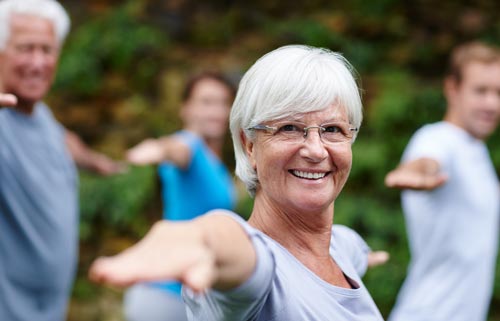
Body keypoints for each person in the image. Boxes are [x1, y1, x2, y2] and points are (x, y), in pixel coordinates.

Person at [89, 45, 389, 321]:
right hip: (178, 283)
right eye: (289, 127)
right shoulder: (262, 270)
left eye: (332, 129)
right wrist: (199, 240)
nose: (315, 149)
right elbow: (236, 243)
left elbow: (342, 242)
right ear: (249, 145)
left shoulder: (340, 248)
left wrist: (363, 256)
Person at [0, 1, 124, 320]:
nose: (38, 62)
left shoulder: (41, 115)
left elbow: (65, 140)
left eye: (47, 49)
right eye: (25, 48)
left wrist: (97, 162)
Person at [385, 41, 500, 321]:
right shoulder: (437, 137)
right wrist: (414, 171)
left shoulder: (476, 150)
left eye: (498, 93)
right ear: (452, 89)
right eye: (480, 91)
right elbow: (427, 159)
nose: (491, 103)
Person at [123, 72, 238, 321]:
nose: (216, 110)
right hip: (164, 294)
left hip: (190, 295)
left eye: (222, 102)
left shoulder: (215, 163)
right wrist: (158, 148)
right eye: (206, 102)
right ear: (185, 109)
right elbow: (176, 149)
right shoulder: (190, 145)